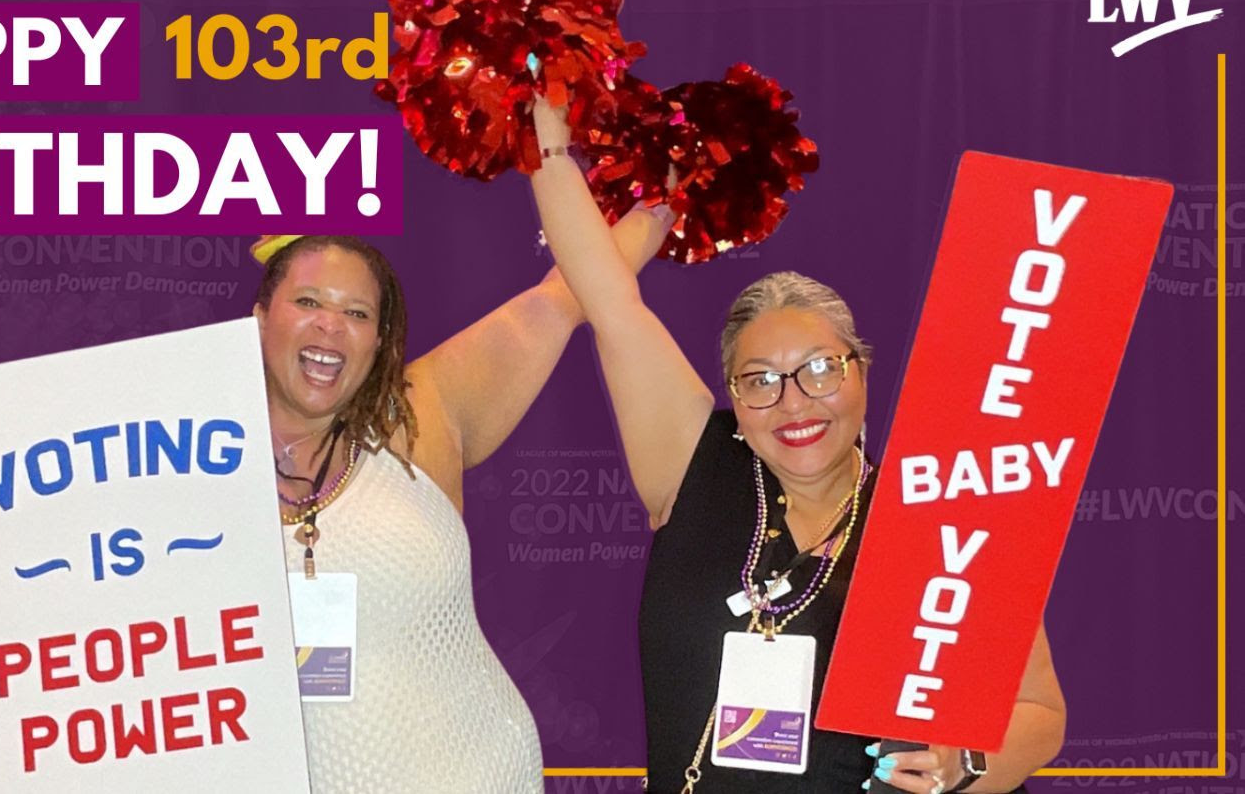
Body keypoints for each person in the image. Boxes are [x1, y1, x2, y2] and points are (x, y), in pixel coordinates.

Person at [528, 97, 1066, 793]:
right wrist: (545, 147)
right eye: (761, 381)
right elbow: (608, 300)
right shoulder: (693, 464)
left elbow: (1039, 711)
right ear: (733, 395)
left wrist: (964, 764)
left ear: (861, 372)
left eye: (818, 370)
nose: (794, 402)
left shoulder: (941, 509)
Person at [251, 223, 668, 793]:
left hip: (479, 774)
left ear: (377, 341)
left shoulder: (417, 421)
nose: (330, 324)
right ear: (259, 317)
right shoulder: (179, 472)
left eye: (357, 313)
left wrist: (670, 191)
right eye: (307, 302)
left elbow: (564, 294)